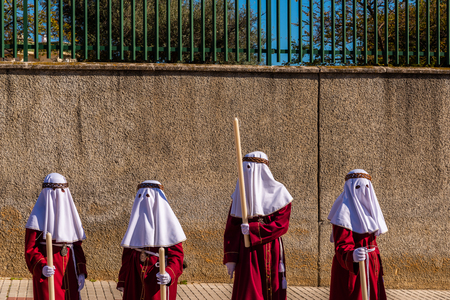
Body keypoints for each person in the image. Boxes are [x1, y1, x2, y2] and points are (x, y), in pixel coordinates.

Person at [223, 151, 293, 300]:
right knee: (248, 290)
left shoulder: (280, 194)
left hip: (269, 248)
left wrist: (254, 229)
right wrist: (231, 258)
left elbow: (281, 225)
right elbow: (231, 228)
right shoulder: (239, 195)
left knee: (269, 287)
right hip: (246, 252)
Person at [117, 180, 186, 300]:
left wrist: (169, 273)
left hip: (158, 275)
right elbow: (127, 256)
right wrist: (123, 280)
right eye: (141, 196)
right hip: (135, 275)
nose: (144, 201)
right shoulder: (135, 221)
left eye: (148, 197)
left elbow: (177, 256)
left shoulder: (169, 225)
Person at [25, 173, 87, 300]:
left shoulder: (70, 215)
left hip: (70, 270)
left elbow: (77, 246)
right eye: (55, 191)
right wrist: (42, 267)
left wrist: (81, 271)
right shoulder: (36, 219)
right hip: (49, 271)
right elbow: (30, 249)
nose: (59, 196)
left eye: (62, 191)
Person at [328, 169, 388, 300]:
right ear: (350, 188)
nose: (363, 191)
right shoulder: (342, 214)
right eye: (358, 187)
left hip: (371, 265)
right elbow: (341, 246)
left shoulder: (372, 210)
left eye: (367, 186)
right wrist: (352, 255)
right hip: (352, 269)